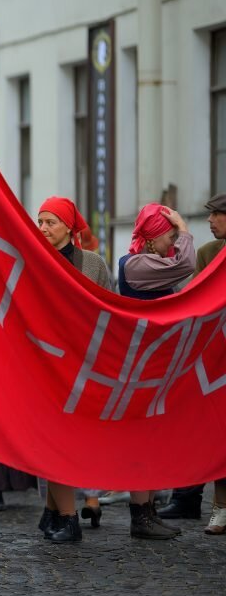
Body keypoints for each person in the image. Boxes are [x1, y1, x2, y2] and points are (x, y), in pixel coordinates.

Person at [34, 197, 112, 543]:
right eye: (40, 222)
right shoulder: (33, 258)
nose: (44, 229)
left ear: (68, 226)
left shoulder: (92, 263)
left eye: (51, 222)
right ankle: (61, 514)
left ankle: (61, 515)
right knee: (50, 438)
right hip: (44, 361)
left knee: (64, 439)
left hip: (83, 361)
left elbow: (110, 306)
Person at [119, 203, 196, 539]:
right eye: (169, 235)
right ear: (151, 239)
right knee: (140, 442)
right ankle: (140, 516)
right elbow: (186, 263)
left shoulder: (149, 262)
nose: (174, 241)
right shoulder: (136, 265)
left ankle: (148, 511)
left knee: (150, 440)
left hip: (155, 363)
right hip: (144, 364)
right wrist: (186, 228)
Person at [159, 193, 226, 531]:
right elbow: (198, 303)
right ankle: (219, 507)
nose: (211, 221)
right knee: (217, 432)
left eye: (216, 215)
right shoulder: (208, 253)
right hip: (216, 358)